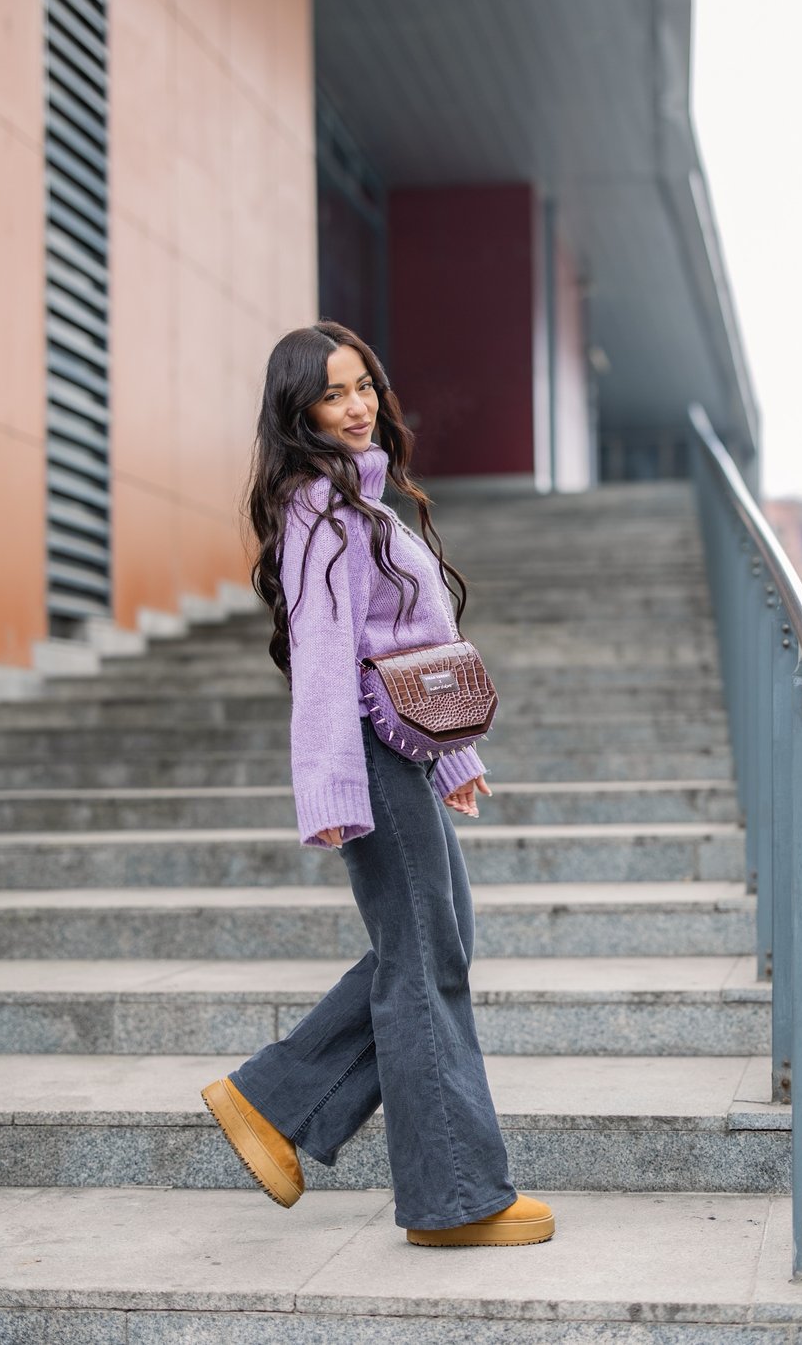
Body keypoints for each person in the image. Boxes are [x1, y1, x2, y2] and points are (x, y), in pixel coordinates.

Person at [202, 320, 554, 1247]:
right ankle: (453, 1200)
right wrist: (328, 793)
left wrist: (457, 759)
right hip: (365, 754)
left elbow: (418, 655)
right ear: (299, 412)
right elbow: (324, 664)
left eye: (364, 385)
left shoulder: (369, 505)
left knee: (434, 943)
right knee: (426, 957)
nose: (356, 406)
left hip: (402, 747)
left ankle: (270, 1098)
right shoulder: (319, 514)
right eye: (333, 393)